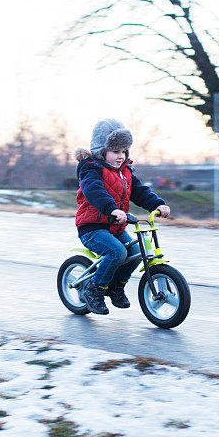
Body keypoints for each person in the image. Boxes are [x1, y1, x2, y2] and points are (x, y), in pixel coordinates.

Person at [74, 119, 170, 315]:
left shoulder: (125, 171)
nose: (121, 156)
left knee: (136, 252)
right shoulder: (90, 168)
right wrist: (111, 208)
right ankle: (94, 290)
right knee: (117, 252)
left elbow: (140, 192)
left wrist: (157, 204)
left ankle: (115, 287)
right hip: (92, 227)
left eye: (124, 151)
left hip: (115, 226)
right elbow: (94, 191)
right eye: (116, 151)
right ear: (102, 150)